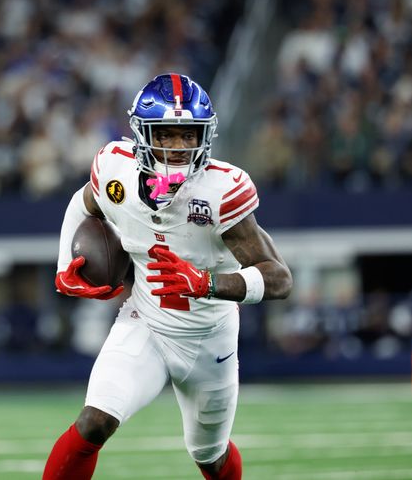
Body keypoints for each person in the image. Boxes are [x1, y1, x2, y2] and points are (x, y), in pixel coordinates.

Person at [44, 73, 293, 479]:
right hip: (147, 323)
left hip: (208, 339)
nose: (178, 148)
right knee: (94, 421)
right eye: (166, 134)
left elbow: (279, 278)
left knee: (210, 457)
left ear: (204, 137)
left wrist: (207, 283)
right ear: (143, 133)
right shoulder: (114, 169)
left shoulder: (220, 191)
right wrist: (63, 267)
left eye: (188, 136)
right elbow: (83, 202)